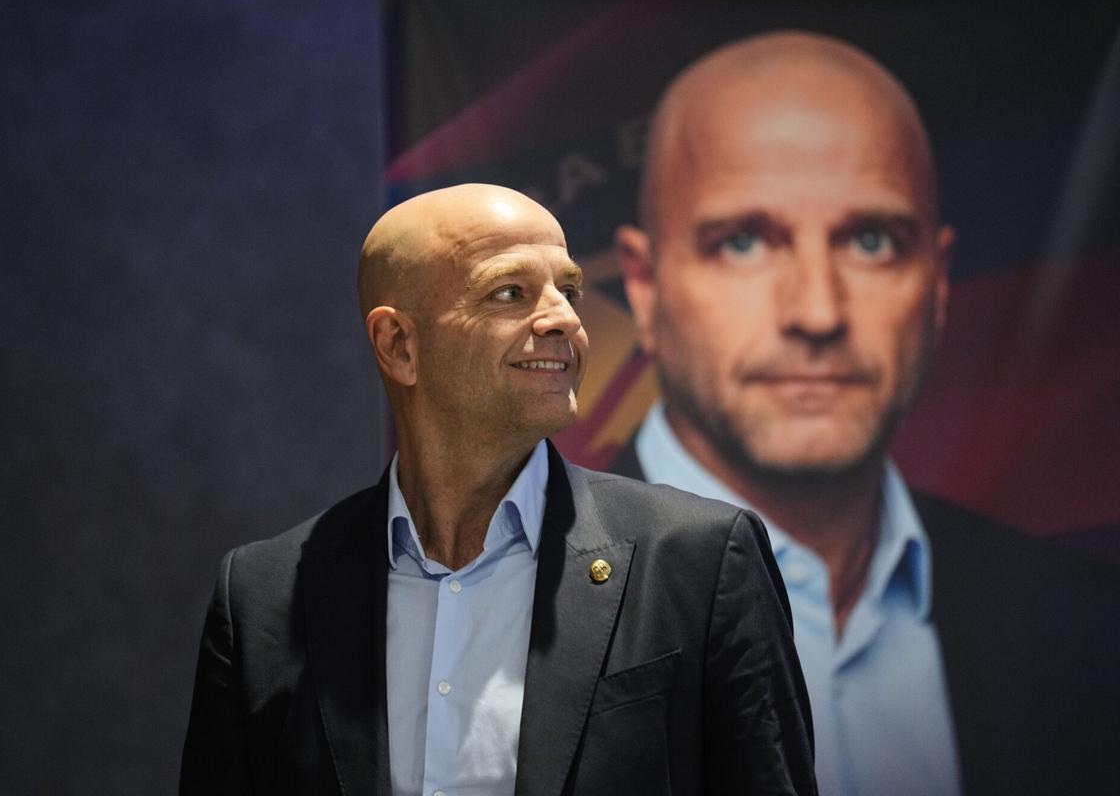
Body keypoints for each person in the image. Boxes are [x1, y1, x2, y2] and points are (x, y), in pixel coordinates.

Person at [180, 183, 817, 795]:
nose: (566, 319)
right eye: (510, 292)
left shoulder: (700, 562)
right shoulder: (263, 597)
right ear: (399, 345)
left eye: (569, 289)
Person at [613, 30, 1119, 796]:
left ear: (938, 284)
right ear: (645, 291)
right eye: (743, 242)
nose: (817, 311)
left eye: (873, 241)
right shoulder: (508, 613)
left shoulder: (1082, 629)